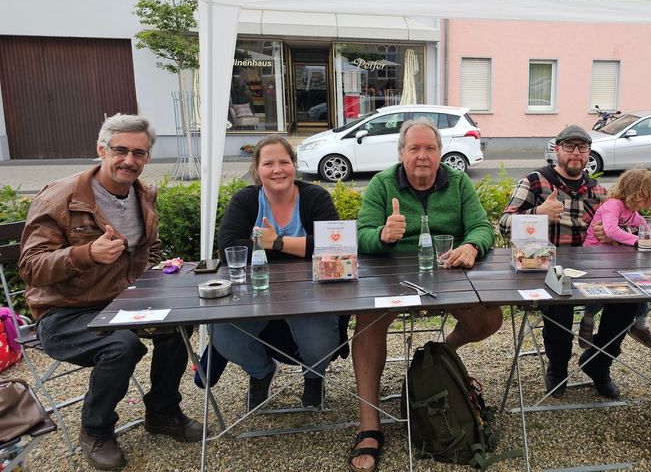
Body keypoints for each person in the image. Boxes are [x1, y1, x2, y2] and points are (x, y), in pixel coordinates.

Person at [18, 114, 203, 470]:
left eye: (139, 153)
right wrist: (86, 253)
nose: (129, 160)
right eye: (121, 150)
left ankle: (162, 411)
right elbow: (30, 267)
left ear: (147, 158)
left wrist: (155, 273)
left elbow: (151, 247)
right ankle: (96, 430)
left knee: (179, 324)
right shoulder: (60, 197)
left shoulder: (142, 195)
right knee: (121, 345)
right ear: (101, 149)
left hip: (123, 304)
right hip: (65, 313)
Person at [349, 118, 499, 472]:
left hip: (448, 275)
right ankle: (369, 427)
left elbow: (482, 227)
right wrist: (383, 235)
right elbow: (361, 236)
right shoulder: (382, 184)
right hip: (392, 278)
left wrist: (472, 246)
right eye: (414, 148)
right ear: (401, 153)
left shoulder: (459, 181)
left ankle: (439, 354)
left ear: (440, 153)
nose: (422, 155)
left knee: (489, 318)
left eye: (430, 148)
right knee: (367, 323)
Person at [498, 124, 635, 400]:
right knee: (559, 300)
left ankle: (599, 362)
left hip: (592, 269)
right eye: (569, 147)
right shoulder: (536, 181)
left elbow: (624, 228)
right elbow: (503, 223)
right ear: (557, 150)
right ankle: (558, 368)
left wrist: (610, 236)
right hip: (544, 267)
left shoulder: (599, 191)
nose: (576, 153)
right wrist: (538, 213)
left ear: (588, 153)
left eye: (582, 148)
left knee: (628, 300)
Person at [215, 135, 342, 412]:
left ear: (294, 166)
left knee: (320, 342)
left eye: (284, 162)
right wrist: (297, 247)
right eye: (268, 163)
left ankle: (313, 376)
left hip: (311, 295)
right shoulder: (246, 199)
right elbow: (228, 249)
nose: (277, 169)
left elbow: (334, 245)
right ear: (257, 170)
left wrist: (274, 242)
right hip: (254, 294)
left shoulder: (314, 196)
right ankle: (261, 372)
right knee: (224, 337)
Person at [579, 167, 651, 352]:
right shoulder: (614, 205)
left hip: (614, 259)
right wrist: (640, 240)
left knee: (639, 282)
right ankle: (588, 318)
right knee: (605, 288)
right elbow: (611, 230)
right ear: (640, 194)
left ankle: (640, 325)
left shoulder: (632, 211)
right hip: (593, 257)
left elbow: (648, 230)